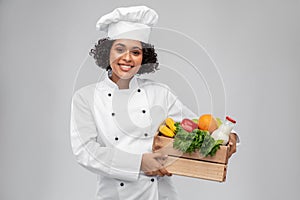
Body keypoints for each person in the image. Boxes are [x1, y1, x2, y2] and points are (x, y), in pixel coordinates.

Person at [70, 5, 238, 200]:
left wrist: (230, 135)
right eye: (120, 49)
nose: (127, 58)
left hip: (161, 194)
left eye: (136, 52)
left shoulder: (159, 93)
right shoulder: (86, 98)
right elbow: (86, 152)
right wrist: (141, 162)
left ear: (144, 57)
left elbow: (196, 125)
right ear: (108, 52)